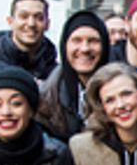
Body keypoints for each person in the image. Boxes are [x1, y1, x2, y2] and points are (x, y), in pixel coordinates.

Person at [38, 10, 109, 140]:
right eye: (77, 40)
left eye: (93, 41)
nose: (85, 48)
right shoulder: (46, 97)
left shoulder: (120, 92)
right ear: (65, 46)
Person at [0, 0, 57, 80]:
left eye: (39, 18)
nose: (31, 24)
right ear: (10, 21)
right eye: (24, 16)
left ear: (47, 24)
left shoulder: (55, 74)